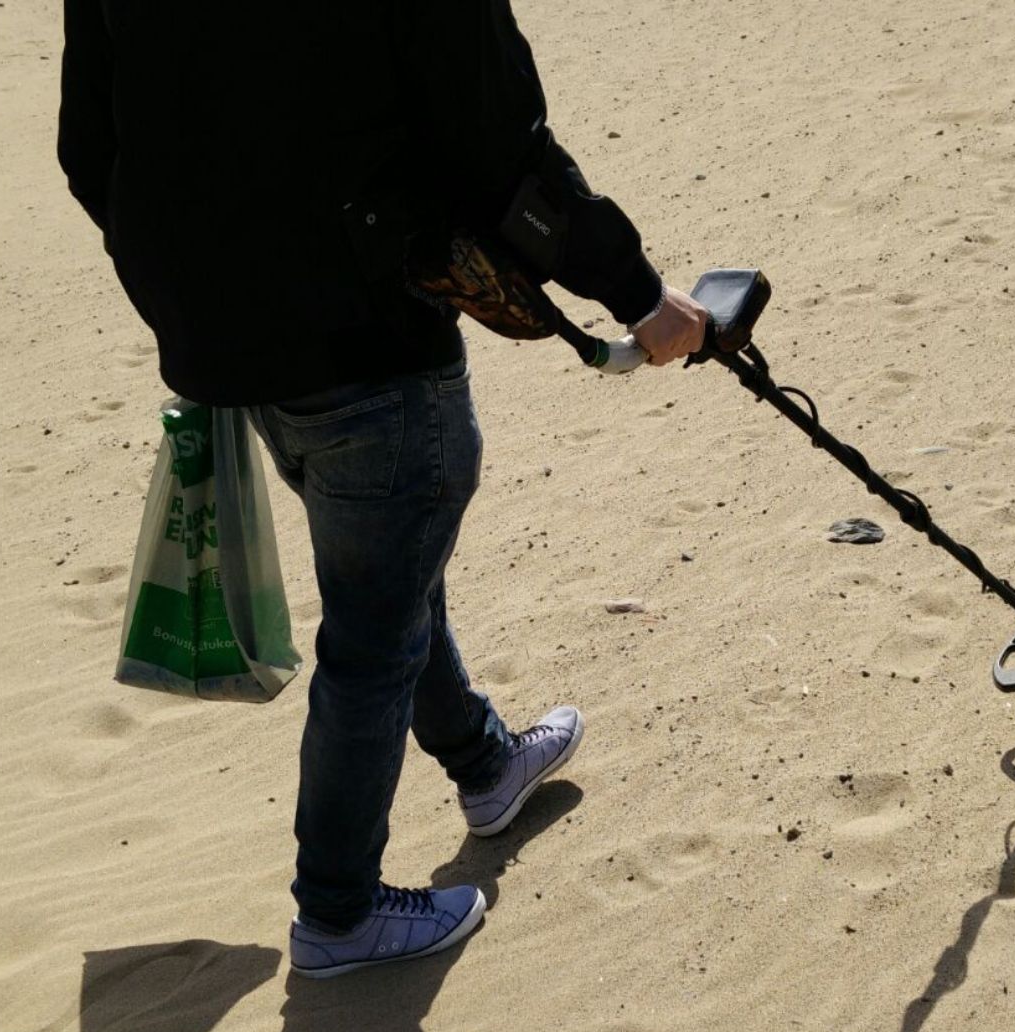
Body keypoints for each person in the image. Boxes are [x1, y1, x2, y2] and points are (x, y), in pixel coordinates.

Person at [58, 0, 707, 977]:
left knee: (388, 575)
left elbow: (89, 147)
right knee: (373, 631)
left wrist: (197, 285)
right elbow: (502, 157)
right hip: (366, 346)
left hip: (228, 349)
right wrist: (641, 297)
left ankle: (486, 766)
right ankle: (338, 913)